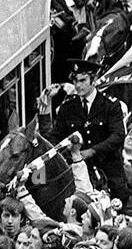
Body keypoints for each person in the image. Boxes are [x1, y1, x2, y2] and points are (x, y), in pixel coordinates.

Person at [51, 58, 127, 198]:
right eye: (75, 81)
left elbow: (118, 136)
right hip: (78, 175)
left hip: (108, 174)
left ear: (94, 79)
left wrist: (92, 151)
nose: (78, 85)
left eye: (83, 80)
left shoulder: (110, 105)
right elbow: (55, 137)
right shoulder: (67, 107)